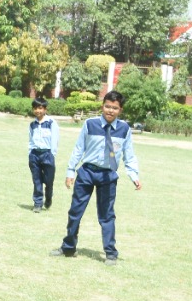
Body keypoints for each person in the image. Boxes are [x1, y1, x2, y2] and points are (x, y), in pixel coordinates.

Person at [51, 90, 141, 266]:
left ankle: (111, 253)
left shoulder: (124, 129)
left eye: (114, 108)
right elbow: (79, 148)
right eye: (107, 106)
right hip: (87, 172)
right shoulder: (90, 124)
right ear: (102, 106)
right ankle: (68, 247)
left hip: (108, 175)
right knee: (75, 212)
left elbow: (129, 153)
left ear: (120, 110)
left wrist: (134, 174)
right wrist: (70, 171)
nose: (110, 111)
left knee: (107, 215)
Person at [28, 97, 59, 211]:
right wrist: (30, 153)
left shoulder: (51, 123)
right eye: (35, 108)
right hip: (35, 154)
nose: (38, 111)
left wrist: (52, 154)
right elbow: (30, 140)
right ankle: (37, 203)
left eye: (40, 108)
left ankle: (49, 197)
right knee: (37, 180)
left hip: (47, 154)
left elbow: (55, 139)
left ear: (45, 109)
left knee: (48, 181)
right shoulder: (32, 125)